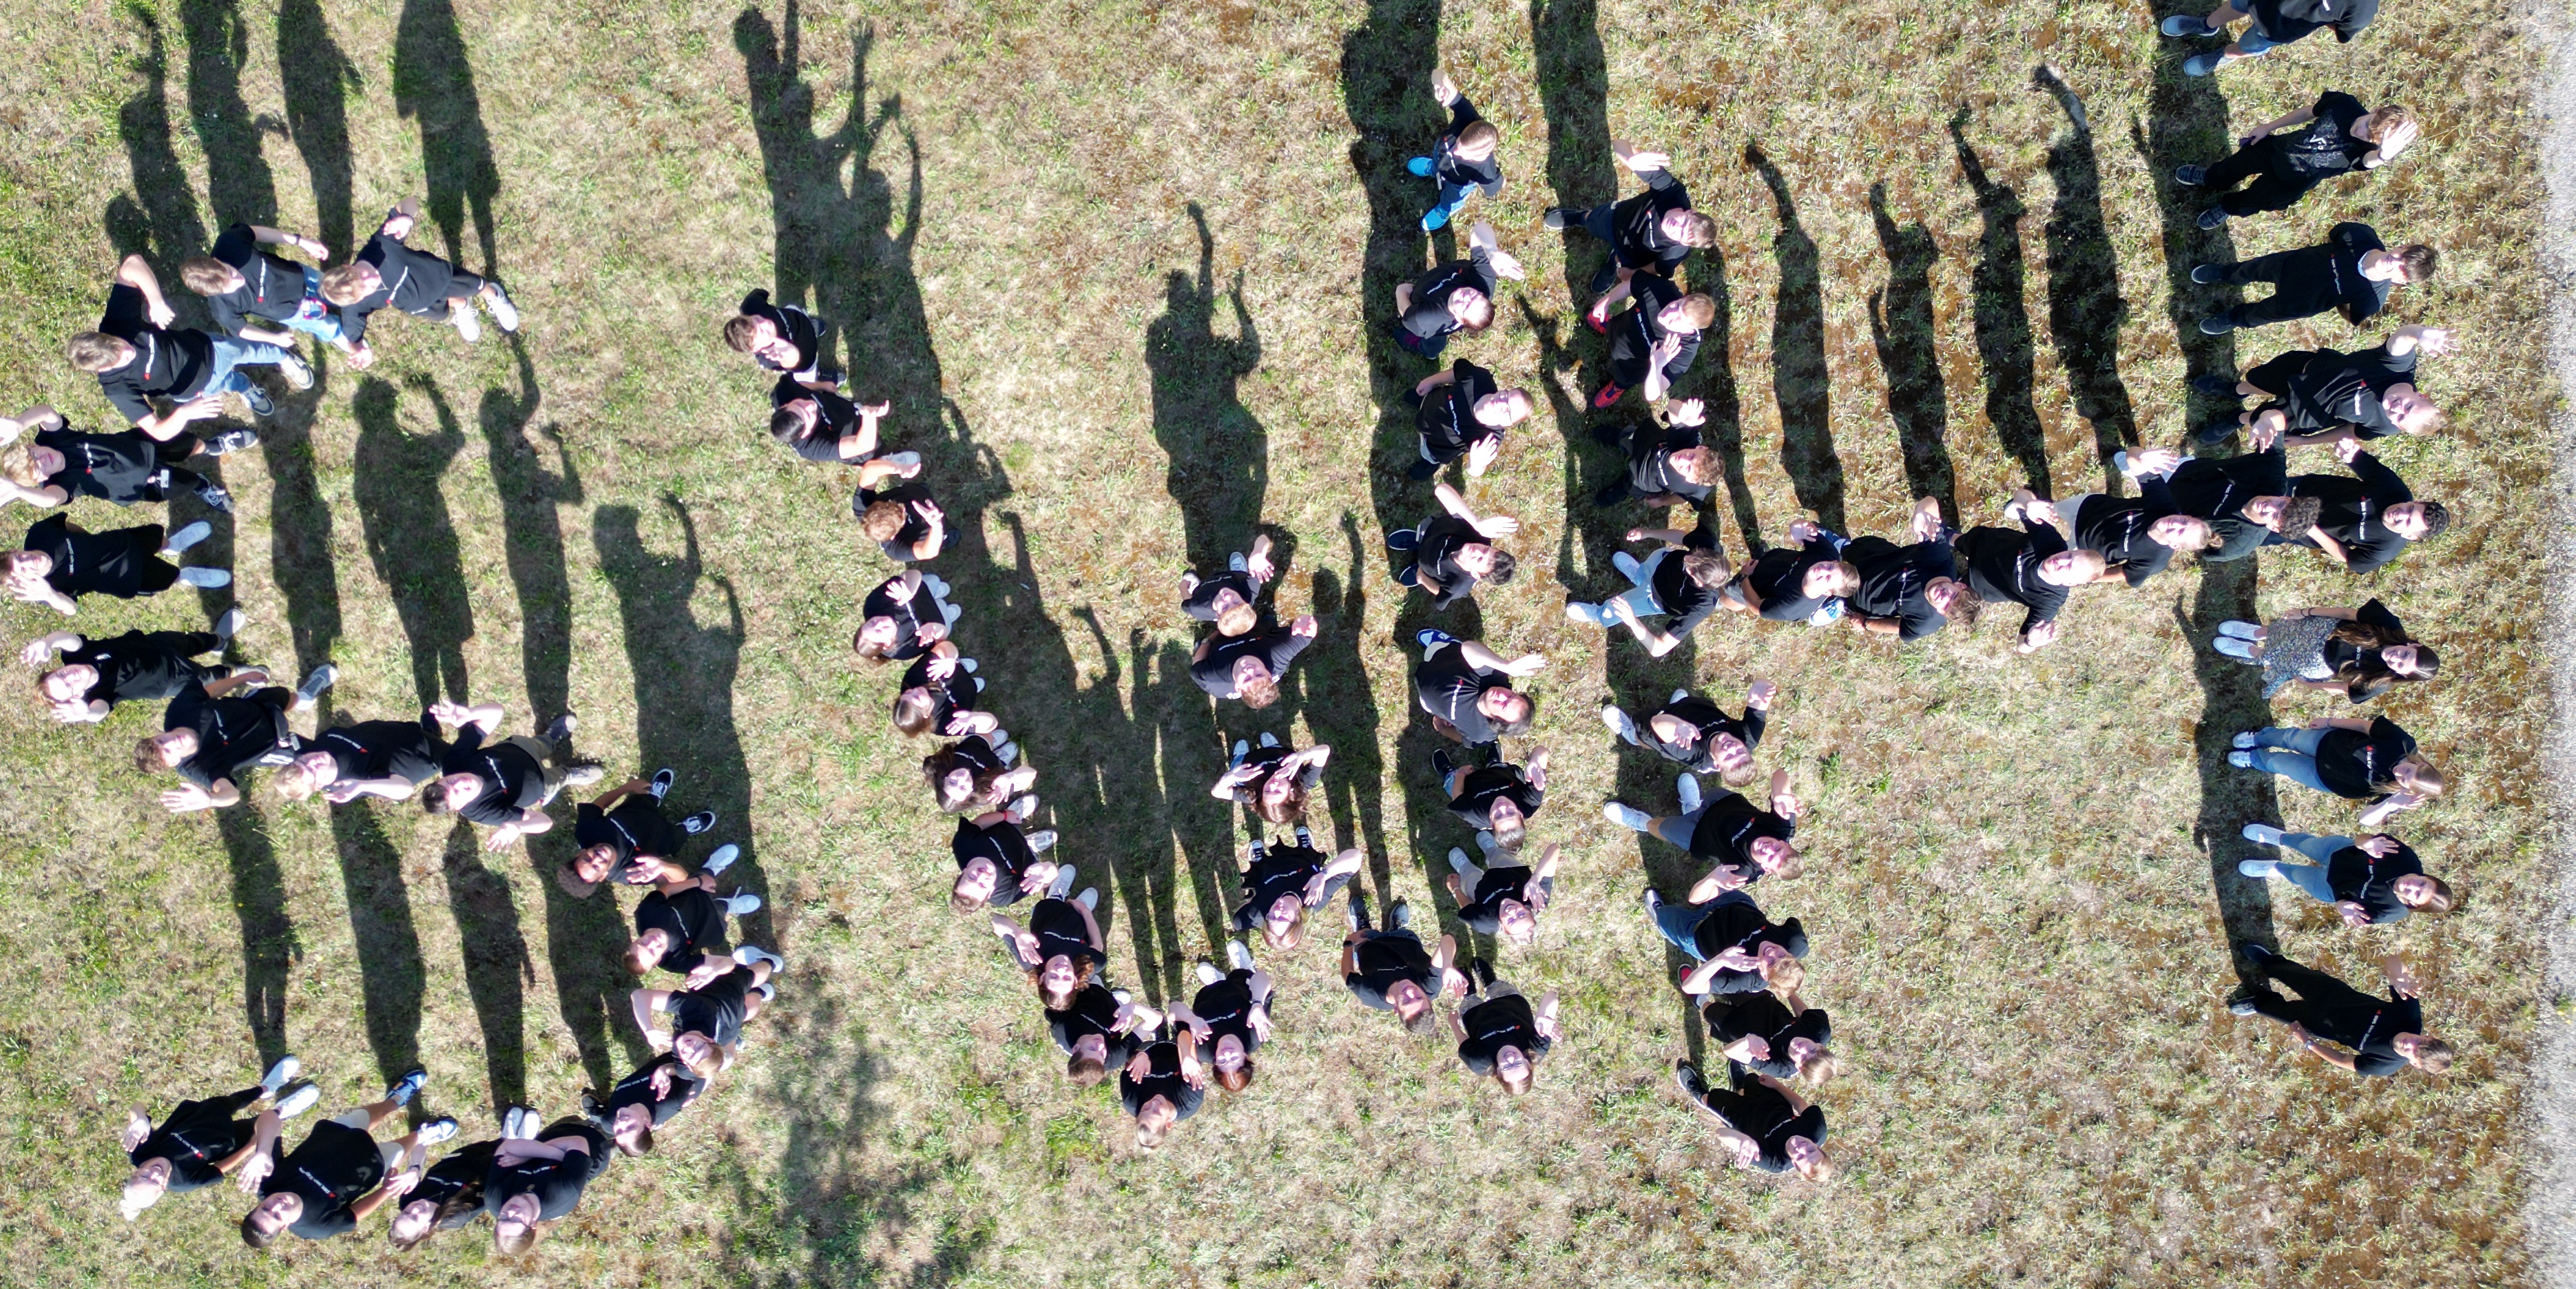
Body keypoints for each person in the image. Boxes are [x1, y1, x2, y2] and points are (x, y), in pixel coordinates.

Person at [69, 255, 310, 432]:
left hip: (212, 350)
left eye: (119, 344)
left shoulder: (116, 325)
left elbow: (132, 264)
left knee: (251, 351)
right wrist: (184, 413)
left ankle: (284, 357)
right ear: (103, 369)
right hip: (196, 391)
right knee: (227, 383)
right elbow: (157, 431)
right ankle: (245, 387)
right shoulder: (116, 388)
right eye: (120, 358)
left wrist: (155, 301)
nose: (128, 351)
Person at [237, 1068, 458, 1248]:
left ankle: (397, 1099)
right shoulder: (317, 1227)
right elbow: (356, 1214)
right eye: (277, 1217)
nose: (276, 1206)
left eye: (265, 1208)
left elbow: (270, 1118)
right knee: (406, 1145)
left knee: (374, 1113)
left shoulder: (266, 1181)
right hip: (371, 1166)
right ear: (284, 1227)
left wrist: (263, 1151)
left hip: (336, 1134)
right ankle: (422, 1134)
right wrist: (386, 1189)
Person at [318, 198, 520, 360]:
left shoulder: (382, 246)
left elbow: (410, 201)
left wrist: (406, 217)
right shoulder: (353, 308)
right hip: (415, 302)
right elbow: (352, 339)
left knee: (476, 285)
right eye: (365, 290)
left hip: (437, 276)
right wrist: (358, 351)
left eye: (361, 276)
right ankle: (461, 305)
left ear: (347, 266)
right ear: (355, 301)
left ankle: (494, 295)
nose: (371, 281)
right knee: (444, 311)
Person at [118, 1055, 313, 1221]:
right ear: (163, 1188)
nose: (155, 1173)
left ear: (136, 1172)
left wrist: (141, 1119)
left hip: (202, 1114)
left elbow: (136, 1106)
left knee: (234, 1101)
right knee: (261, 1124)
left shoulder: (139, 1152)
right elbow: (219, 1169)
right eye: (155, 1182)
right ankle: (282, 1110)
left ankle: (266, 1089)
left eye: (144, 1175)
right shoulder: (184, 1181)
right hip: (227, 1139)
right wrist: (250, 1146)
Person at [1542, 139, 1717, 321]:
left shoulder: (1676, 252)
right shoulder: (1672, 192)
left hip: (1633, 256)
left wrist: (1632, 274)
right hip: (1615, 220)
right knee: (1591, 221)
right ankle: (1577, 217)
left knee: (1620, 263)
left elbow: (1657, 268)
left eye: (1682, 236)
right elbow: (1619, 144)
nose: (1676, 229)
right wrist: (1631, 158)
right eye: (1684, 223)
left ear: (1684, 244)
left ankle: (1614, 262)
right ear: (1690, 212)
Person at [2175, 95, 2415, 227]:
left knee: (2252, 202)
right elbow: (2308, 112)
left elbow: (2368, 162)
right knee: (2231, 167)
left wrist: (2383, 154)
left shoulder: (2366, 151)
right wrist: (2269, 127)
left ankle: (2226, 208)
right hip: (2275, 150)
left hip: (2292, 183)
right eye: (2366, 127)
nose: (2361, 135)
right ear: (2375, 110)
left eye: (2371, 139)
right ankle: (2210, 178)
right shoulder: (2343, 105)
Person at [2197, 324, 2450, 448]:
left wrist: (2308, 442)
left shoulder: (2386, 427)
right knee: (2257, 380)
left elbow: (2350, 432)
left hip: (2308, 412)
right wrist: (2421, 333)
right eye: (2408, 405)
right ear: (2421, 394)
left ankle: (2238, 419)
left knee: (2263, 419)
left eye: (2400, 418)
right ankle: (2236, 391)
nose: (2397, 409)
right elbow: (2402, 339)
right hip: (2304, 369)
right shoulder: (2396, 369)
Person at [2229, 945, 2451, 1077]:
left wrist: (2309, 1043)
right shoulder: (2409, 1016)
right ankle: (2269, 961)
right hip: (2332, 993)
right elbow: (2392, 960)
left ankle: (2259, 1003)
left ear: (2414, 1063)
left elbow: (2344, 1059)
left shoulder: (2385, 1066)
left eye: (2415, 1053)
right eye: (2420, 1042)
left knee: (2277, 1011)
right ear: (2427, 1036)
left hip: (2318, 1024)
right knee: (2292, 973)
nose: (2410, 1044)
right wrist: (2402, 978)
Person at [138, 665, 335, 813]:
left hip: (259, 705)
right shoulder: (199, 767)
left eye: (162, 741)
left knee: (288, 697)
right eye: (168, 751)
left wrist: (242, 678)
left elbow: (210, 692)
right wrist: (210, 799)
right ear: (174, 762)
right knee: (322, 754)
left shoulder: (179, 710)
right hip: (271, 744)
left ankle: (304, 699)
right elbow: (231, 795)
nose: (172, 742)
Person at [2191, 222, 2432, 334]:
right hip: (2288, 265)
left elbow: (2352, 317)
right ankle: (2225, 274)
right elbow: (2334, 235)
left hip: (2299, 303)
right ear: (2402, 246)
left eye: (2403, 271)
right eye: (2404, 256)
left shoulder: (2372, 299)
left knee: (2258, 314)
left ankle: (2231, 319)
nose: (2397, 262)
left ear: (2402, 282)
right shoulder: (2360, 235)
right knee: (2251, 269)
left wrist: (2337, 299)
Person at [422, 705, 605, 851]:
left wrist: (470, 714)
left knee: (540, 745)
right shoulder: (481, 812)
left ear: (444, 777)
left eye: (451, 781)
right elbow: (545, 822)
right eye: (457, 793)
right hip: (541, 784)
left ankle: (550, 739)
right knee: (558, 778)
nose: (461, 783)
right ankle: (569, 774)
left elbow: (497, 712)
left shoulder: (453, 761)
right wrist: (518, 828)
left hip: (521, 749)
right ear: (459, 807)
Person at [0, 404, 235, 513]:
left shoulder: (54, 439)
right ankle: (202, 484)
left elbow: (46, 412)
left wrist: (20, 424)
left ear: (33, 445)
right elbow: (50, 501)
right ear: (40, 480)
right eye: (36, 469)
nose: (41, 461)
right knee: (185, 482)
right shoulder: (59, 486)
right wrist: (18, 491)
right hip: (142, 484)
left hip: (142, 445)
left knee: (186, 445)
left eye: (33, 455)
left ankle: (211, 447)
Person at [1607, 767, 1805, 894]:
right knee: (1701, 804)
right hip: (1722, 802)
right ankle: (1692, 807)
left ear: (1767, 870)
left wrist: (1712, 880)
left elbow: (1698, 898)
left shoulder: (1744, 873)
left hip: (1697, 836)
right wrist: (1781, 796)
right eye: (1778, 849)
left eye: (1771, 859)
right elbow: (1780, 774)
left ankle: (1640, 822)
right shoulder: (1783, 827)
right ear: (1785, 843)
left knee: (1661, 827)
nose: (1769, 849)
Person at [1953, 491, 2103, 652]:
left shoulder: (2049, 601)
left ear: (2070, 583)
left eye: (2068, 567)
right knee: (1948, 539)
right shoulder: (2051, 541)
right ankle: (1948, 538)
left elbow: (2021, 646)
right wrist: (2028, 504)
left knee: (1947, 592)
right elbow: (2019, 495)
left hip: (1983, 585)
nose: (2061, 560)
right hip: (1984, 544)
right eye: (2069, 555)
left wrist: (2031, 642)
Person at [2117, 444, 2318, 564]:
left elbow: (2210, 553)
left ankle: (2134, 475)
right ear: (2287, 497)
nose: (2270, 506)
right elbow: (2276, 426)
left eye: (2275, 516)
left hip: (2166, 509)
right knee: (2132, 460)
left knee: (2133, 492)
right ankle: (2134, 468)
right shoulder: (2272, 476)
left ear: (2273, 527)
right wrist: (2268, 418)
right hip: (2185, 471)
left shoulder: (2239, 543)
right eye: (2281, 504)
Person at [178, 222, 353, 358]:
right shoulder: (222, 309)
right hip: (294, 311)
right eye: (229, 286)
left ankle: (358, 299)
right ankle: (343, 338)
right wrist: (275, 339)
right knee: (327, 326)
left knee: (339, 288)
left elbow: (255, 233)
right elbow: (242, 329)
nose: (238, 280)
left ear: (217, 260)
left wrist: (301, 242)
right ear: (213, 294)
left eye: (231, 272)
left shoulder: (230, 243)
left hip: (301, 275)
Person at [25, 612, 238, 723]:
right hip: (173, 679)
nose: (70, 676)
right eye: (69, 686)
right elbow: (101, 711)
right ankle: (233, 673)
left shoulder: (78, 656)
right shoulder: (98, 695)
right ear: (77, 695)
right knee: (210, 678)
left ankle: (218, 641)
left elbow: (67, 639)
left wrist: (47, 642)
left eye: (62, 674)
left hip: (159, 644)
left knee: (194, 641)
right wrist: (87, 714)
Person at [2230, 715, 2444, 826]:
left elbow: (2365, 820)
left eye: (2405, 780)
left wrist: (2391, 804)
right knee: (2289, 738)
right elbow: (2364, 726)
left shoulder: (2398, 796)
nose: (2400, 773)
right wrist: (2329, 722)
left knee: (2280, 764)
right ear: (2421, 763)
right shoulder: (2403, 743)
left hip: (2326, 777)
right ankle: (2259, 737)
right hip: (2327, 742)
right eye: (2410, 770)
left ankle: (2255, 758)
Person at [2277, 437, 2448, 575]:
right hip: (2301, 490)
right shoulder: (2395, 489)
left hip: (2297, 528)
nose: (2401, 514)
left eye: (2408, 522)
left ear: (2410, 536)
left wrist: (2310, 529)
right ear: (2415, 502)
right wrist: (2348, 451)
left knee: (2253, 525)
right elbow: (2359, 460)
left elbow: (2348, 557)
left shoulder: (2385, 549)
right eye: (2410, 509)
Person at [2212, 599, 2437, 703]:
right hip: (2326, 630)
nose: (2395, 659)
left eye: (2400, 666)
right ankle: (2257, 633)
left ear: (2401, 675)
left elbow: (2345, 689)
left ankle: (2248, 650)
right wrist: (2307, 612)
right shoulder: (2390, 625)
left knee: (2278, 658)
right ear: (2413, 645)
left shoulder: (2381, 682)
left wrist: (2311, 684)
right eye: (2405, 655)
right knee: (2283, 632)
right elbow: (2349, 614)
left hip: (2322, 662)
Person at [2236, 824, 2455, 924]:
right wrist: (2366, 843)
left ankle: (2276, 868)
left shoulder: (2392, 912)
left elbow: (2350, 911)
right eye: (2422, 882)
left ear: (2414, 905)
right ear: (2426, 876)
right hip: (2338, 851)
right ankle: (2280, 838)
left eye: (2417, 894)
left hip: (2329, 888)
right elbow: (2363, 837)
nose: (2412, 885)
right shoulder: (2405, 858)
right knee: (2305, 843)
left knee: (2296, 875)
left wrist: (2341, 906)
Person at [9, 514, 227, 614]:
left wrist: (89, 541)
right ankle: (186, 576)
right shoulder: (49, 589)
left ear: (16, 550)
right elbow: (71, 609)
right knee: (168, 577)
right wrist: (49, 595)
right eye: (23, 570)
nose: (28, 561)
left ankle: (174, 545)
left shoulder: (39, 534)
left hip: (123, 542)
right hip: (129, 576)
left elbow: (68, 526)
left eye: (20, 557)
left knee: (158, 540)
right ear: (26, 579)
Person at [1564, 524, 1731, 653]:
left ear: (1700, 584)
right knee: (1643, 572)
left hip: (1654, 598)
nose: (1686, 558)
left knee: (1615, 610)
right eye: (1694, 556)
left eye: (1691, 569)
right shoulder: (1709, 547)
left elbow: (1660, 648)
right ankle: (1638, 575)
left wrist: (1632, 621)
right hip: (1660, 561)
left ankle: (1600, 615)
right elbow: (1684, 538)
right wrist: (1647, 533)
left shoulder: (1701, 606)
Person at [629, 945, 784, 1082]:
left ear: (687, 1065)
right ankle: (770, 962)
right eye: (698, 1047)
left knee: (745, 1012)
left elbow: (682, 1073)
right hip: (727, 998)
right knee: (748, 977)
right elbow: (640, 995)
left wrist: (664, 1070)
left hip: (728, 1030)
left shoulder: (685, 1068)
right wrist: (648, 1028)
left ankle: (762, 993)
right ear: (707, 1039)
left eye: (690, 1056)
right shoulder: (698, 1009)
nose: (688, 1048)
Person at [561, 770, 725, 897]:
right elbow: (681, 878)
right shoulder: (630, 874)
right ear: (603, 876)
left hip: (638, 807)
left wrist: (626, 788)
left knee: (646, 798)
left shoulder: (585, 831)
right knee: (677, 836)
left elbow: (598, 805)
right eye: (597, 866)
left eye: (588, 858)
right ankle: (686, 828)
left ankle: (654, 797)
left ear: (580, 853)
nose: (597, 857)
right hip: (665, 838)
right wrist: (663, 866)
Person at [273, 702, 466, 803]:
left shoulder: (309, 752)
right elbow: (405, 789)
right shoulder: (351, 780)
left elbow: (291, 742)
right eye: (312, 770)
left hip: (400, 733)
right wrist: (361, 786)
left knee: (420, 729)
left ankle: (429, 730)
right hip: (422, 753)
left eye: (303, 761)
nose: (312, 760)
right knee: (463, 760)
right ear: (320, 784)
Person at [1671, 1060, 1833, 1179]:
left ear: (1795, 1165)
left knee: (1713, 1099)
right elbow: (1799, 1104)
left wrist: (1744, 1141)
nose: (1801, 1149)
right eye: (1811, 1150)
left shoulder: (1774, 1162)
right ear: (1819, 1147)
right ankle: (1740, 1086)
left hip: (1741, 1116)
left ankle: (1698, 1093)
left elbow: (1721, 1133)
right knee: (1751, 1079)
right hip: (1771, 1101)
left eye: (1799, 1158)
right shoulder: (1817, 1130)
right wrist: (1776, 1085)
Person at [484, 1109, 615, 1255]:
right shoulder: (562, 1195)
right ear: (532, 1225)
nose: (510, 1211)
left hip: (553, 1134)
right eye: (515, 1219)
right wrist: (529, 1153)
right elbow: (578, 1141)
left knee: (571, 1118)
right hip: (593, 1141)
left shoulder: (494, 1197)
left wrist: (547, 1156)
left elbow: (506, 1146)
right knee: (613, 1122)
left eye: (503, 1218)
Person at [1841, 500, 1976, 641]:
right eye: (1954, 595)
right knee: (1835, 552)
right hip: (1869, 557)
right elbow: (1931, 508)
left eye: (1947, 606)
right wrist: (1922, 512)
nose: (1945, 597)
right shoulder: (1939, 559)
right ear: (1960, 585)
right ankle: (1838, 545)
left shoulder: (1928, 622)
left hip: (1855, 598)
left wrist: (1866, 624)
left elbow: (1901, 627)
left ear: (1942, 612)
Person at [2055, 472, 2217, 588]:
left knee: (2049, 562)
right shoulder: (2165, 505)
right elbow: (2137, 462)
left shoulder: (2154, 560)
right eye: (2184, 521)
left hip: (2079, 552)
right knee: (2042, 513)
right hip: (2085, 508)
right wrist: (2139, 457)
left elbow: (2124, 573)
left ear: (2176, 546)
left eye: (2180, 532)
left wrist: (2090, 577)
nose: (2175, 523)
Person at [1601, 680, 1777, 786]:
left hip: (1661, 728)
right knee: (1683, 705)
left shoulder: (1695, 754)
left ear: (1716, 765)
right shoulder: (1749, 738)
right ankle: (1680, 704)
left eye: (1729, 757)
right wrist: (1761, 692)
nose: (1732, 748)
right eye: (1740, 752)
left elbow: (1656, 724)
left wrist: (1678, 727)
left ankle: (1630, 734)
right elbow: (1762, 687)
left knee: (1644, 736)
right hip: (1693, 711)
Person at [1646, 887, 1810, 1000]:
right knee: (1702, 890)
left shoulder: (1747, 979)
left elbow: (1690, 987)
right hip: (1735, 903)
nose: (1772, 952)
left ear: (1765, 976)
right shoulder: (1796, 941)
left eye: (1771, 963)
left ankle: (1659, 914)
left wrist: (1720, 960)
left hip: (1697, 934)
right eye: (1783, 955)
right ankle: (1705, 901)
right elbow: (1792, 922)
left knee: (1666, 917)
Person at [1391, 220, 1524, 360]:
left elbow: (1408, 316)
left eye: (1466, 306)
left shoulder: (1425, 318)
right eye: (1474, 297)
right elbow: (1479, 229)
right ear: (1481, 294)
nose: (1466, 297)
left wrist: (1402, 291)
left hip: (1429, 325)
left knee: (1434, 343)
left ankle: (1426, 350)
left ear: (1460, 319)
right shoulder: (1483, 285)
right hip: (1436, 286)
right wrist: (1492, 253)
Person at [1342, 891, 1465, 1035]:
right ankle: (1397, 927)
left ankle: (1363, 926)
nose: (1410, 992)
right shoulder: (1430, 987)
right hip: (1405, 939)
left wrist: (1350, 943)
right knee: (1401, 932)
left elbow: (1347, 974)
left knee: (1364, 933)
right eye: (1419, 997)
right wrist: (1447, 966)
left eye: (1406, 1001)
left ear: (1396, 1009)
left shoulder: (1372, 994)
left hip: (1369, 944)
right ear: (1427, 998)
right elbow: (1447, 940)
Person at [2161, 0, 2382, 78]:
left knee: (2248, 45)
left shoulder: (2364, 9)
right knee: (2237, 4)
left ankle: (2222, 56)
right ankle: (2206, 25)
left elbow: (2343, 31)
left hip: (2281, 28)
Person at [1592, 271, 1714, 409]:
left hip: (1631, 366)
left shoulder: (1685, 349)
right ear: (1683, 297)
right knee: (1612, 329)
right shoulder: (1662, 290)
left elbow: (1653, 395)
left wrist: (1657, 365)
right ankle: (1606, 328)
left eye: (1679, 320)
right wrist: (1606, 302)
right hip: (1619, 327)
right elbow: (1629, 286)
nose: (1669, 313)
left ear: (1689, 330)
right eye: (1677, 305)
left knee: (1624, 378)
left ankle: (1618, 386)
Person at [1229, 827, 1363, 951]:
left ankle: (1259, 860)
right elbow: (1356, 856)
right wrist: (1324, 874)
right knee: (1307, 857)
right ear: (1298, 919)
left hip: (1267, 870)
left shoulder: (1262, 910)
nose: (1276, 912)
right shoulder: (1315, 897)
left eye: (1271, 918)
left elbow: (1239, 922)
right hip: (1302, 860)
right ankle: (1306, 847)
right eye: (1282, 918)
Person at [1389, 482, 1519, 610]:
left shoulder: (1459, 585)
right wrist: (1476, 523)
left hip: (1426, 566)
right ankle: (1417, 540)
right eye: (1486, 550)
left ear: (1476, 574)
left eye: (1479, 560)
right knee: (1423, 536)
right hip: (1431, 534)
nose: (1477, 551)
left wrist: (1421, 577)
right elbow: (1441, 490)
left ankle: (1417, 567)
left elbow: (1441, 598)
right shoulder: (1478, 535)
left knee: (1422, 564)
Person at [1405, 68, 1504, 232]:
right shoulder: (1468, 117)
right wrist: (1440, 83)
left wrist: (1499, 180)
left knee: (1452, 198)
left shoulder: (1486, 172)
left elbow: (1494, 188)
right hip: (1439, 157)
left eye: (1464, 153)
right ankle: (1433, 169)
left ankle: (1445, 210)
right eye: (1458, 143)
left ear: (1483, 155)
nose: (1455, 151)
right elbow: (1438, 73)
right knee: (1438, 164)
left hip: (1458, 183)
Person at [624, 860, 762, 978]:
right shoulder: (674, 962)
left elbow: (667, 890)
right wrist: (714, 972)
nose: (652, 943)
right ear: (658, 960)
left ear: (637, 939)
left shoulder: (645, 913)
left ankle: (710, 867)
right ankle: (725, 905)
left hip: (695, 895)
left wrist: (699, 882)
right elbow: (726, 962)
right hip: (711, 924)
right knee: (719, 919)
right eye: (652, 952)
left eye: (643, 943)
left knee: (702, 876)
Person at [1405, 358, 1533, 482]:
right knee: (1420, 402)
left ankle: (1430, 463)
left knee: (1431, 456)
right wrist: (1431, 381)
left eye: (1507, 411)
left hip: (1437, 447)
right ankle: (1420, 403)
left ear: (1506, 423)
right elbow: (1456, 372)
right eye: (1506, 397)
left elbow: (1475, 472)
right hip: (1430, 403)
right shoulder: (1478, 379)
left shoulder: (1489, 439)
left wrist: (1476, 464)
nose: (1501, 403)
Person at [1412, 628, 1543, 747]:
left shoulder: (1482, 734)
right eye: (1511, 695)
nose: (1502, 695)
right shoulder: (1495, 677)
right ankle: (1447, 642)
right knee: (1447, 649)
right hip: (1440, 657)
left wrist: (1443, 729)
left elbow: (1468, 741)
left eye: (1504, 705)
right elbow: (1468, 649)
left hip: (1427, 698)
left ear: (1496, 721)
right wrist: (1505, 666)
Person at [1715, 520, 1862, 627]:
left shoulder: (1790, 606)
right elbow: (1801, 531)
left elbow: (1756, 607)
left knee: (1733, 597)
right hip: (1771, 560)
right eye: (1830, 567)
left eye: (1828, 578)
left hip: (1752, 585)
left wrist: (1745, 576)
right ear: (1834, 561)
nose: (1823, 570)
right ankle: (1760, 556)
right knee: (1762, 558)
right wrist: (1798, 527)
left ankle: (1717, 599)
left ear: (1827, 592)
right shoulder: (1828, 554)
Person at [1170, 942, 1274, 1093]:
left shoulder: (1203, 1050)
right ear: (1246, 1057)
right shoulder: (1255, 1033)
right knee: (1250, 976)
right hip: (1240, 984)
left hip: (1207, 997)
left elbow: (1174, 1008)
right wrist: (1257, 1003)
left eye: (1223, 1061)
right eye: (1234, 1059)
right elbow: (1262, 977)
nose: (1226, 1054)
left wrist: (1191, 1019)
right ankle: (1245, 967)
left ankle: (1216, 981)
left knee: (1214, 988)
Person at [991, 882, 1106, 1011]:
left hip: (1048, 909)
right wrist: (1085, 911)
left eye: (1053, 977)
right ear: (1075, 980)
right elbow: (1097, 945)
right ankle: (1080, 903)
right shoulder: (1087, 966)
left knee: (1064, 878)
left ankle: (1057, 893)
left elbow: (996, 920)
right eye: (1067, 978)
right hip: (1079, 917)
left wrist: (1017, 933)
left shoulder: (1030, 958)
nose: (1061, 971)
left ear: (1042, 978)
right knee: (1092, 893)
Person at [1450, 961, 1559, 1094]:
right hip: (1507, 999)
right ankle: (1486, 975)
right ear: (1527, 1063)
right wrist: (1544, 1016)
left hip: (1474, 1013)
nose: (1510, 1059)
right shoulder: (1537, 1047)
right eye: (1518, 1064)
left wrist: (1454, 1026)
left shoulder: (1480, 1063)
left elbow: (1465, 1044)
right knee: (1494, 985)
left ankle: (1468, 986)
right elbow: (1551, 995)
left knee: (1469, 997)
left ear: (1499, 1072)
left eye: (1507, 1067)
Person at [1595, 397, 1720, 508]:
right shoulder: (1688, 440)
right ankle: (1617, 438)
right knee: (1625, 439)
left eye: (1688, 468)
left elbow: (1685, 497)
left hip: (1643, 481)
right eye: (1692, 456)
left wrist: (1663, 501)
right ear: (1701, 448)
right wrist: (1682, 414)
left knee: (1630, 486)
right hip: (1643, 442)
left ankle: (1621, 489)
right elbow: (1672, 406)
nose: (1682, 459)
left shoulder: (1697, 489)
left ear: (1692, 480)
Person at [383, 1137, 499, 1250]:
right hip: (496, 1167)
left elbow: (419, 1144)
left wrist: (415, 1169)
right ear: (426, 1227)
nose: (414, 1209)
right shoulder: (456, 1217)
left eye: (406, 1212)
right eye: (414, 1218)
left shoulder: (408, 1199)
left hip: (466, 1154)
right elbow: (493, 1194)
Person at [1704, 989, 1840, 1084]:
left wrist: (1748, 1040)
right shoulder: (1820, 1030)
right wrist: (1788, 990)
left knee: (1709, 1009)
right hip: (1761, 1002)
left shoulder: (1780, 1067)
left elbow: (1730, 1052)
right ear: (1820, 1045)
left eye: (1803, 1058)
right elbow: (1803, 1013)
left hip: (1736, 1026)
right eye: (1812, 1050)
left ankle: (1699, 999)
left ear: (1799, 1067)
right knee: (1726, 976)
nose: (1803, 1049)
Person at [583, 1055, 709, 1159]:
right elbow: (699, 1071)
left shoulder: (610, 1120)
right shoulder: (670, 1100)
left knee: (605, 1124)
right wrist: (665, 1069)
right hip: (688, 1053)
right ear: (646, 1122)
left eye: (619, 1131)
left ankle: (598, 1115)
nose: (621, 1123)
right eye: (631, 1127)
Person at [1188, 610, 1317, 709]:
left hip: (1222, 638)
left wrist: (1209, 639)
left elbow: (1196, 667)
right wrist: (1306, 623)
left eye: (1247, 678)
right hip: (1255, 629)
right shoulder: (1277, 657)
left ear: (1238, 687)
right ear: (1269, 674)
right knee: (1267, 622)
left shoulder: (1214, 679)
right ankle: (1267, 620)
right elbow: (1306, 635)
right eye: (1259, 674)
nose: (1250, 670)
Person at [1047, 978, 1159, 1086]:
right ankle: (1115, 999)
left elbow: (1058, 997)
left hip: (1087, 988)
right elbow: (1156, 1020)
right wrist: (1133, 1008)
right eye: (1101, 1054)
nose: (1100, 1045)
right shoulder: (1113, 1058)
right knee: (1120, 1000)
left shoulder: (1063, 1028)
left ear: (1076, 1049)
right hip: (1116, 1010)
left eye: (1092, 1048)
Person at [950, 804, 1061, 913]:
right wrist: (1047, 869)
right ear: (990, 892)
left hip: (1007, 826)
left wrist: (1005, 815)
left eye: (972, 877)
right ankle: (1031, 844)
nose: (982, 875)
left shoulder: (963, 844)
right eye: (983, 885)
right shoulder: (1004, 896)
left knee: (1022, 808)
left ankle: (1015, 812)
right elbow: (1043, 881)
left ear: (964, 872)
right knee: (1031, 853)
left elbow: (980, 824)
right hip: (1027, 856)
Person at [1446, 841, 1559, 947]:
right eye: (1522, 915)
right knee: (1500, 857)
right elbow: (1555, 848)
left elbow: (1467, 907)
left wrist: (1455, 888)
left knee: (1470, 878)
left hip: (1480, 889)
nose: (1512, 911)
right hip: (1509, 871)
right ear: (1529, 911)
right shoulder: (1537, 900)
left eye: (1510, 921)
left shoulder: (1485, 922)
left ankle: (1465, 868)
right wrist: (1536, 878)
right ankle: (1491, 850)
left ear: (1504, 928)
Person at [1440, 743, 1547, 852]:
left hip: (1470, 781)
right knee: (1498, 766)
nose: (1502, 808)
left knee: (1452, 784)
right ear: (1520, 814)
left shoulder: (1473, 814)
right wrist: (1535, 761)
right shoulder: (1529, 803)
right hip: (1501, 774)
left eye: (1498, 816)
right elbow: (1542, 751)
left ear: (1491, 823)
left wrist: (1461, 773)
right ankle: (1493, 762)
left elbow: (1457, 795)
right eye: (1511, 813)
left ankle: (1448, 773)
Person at [725, 288, 839, 389]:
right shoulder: (769, 357)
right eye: (763, 332)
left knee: (803, 319)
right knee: (809, 378)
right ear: (755, 348)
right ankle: (821, 376)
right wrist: (789, 351)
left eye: (758, 320)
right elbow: (795, 362)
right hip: (807, 359)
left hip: (797, 318)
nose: (766, 323)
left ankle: (811, 327)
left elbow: (761, 293)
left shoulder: (751, 305)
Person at [1118, 1022, 1207, 1150]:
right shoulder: (1189, 1102)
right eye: (1156, 1112)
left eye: (1145, 1109)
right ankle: (1173, 1032)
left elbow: (1126, 1059)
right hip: (1179, 1052)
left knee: (1152, 1027)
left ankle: (1160, 1031)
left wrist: (1140, 1056)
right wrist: (1184, 1030)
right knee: (1186, 1031)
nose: (1153, 1103)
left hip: (1149, 1050)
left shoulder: (1132, 1101)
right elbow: (1192, 1054)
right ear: (1169, 1124)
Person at [1211, 733, 1331, 826]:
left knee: (1237, 766)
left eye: (1267, 792)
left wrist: (1230, 777)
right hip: (1278, 753)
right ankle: (1273, 747)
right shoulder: (1303, 782)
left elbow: (1217, 793)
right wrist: (1302, 756)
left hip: (1247, 762)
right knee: (1276, 750)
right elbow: (1325, 750)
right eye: (1277, 792)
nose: (1272, 786)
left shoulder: (1253, 795)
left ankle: (1240, 756)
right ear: (1291, 794)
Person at [1179, 535, 1278, 639]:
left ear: (1218, 616)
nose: (1228, 598)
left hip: (1204, 589)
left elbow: (1187, 604)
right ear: (1246, 603)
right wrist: (1258, 551)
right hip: (1234, 578)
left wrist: (1183, 587)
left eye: (1225, 607)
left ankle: (1195, 586)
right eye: (1237, 602)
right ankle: (1238, 571)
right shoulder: (1249, 588)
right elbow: (1264, 538)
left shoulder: (1198, 607)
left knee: (1196, 590)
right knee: (1240, 575)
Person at [853, 569, 961, 664]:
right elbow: (943, 638)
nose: (879, 623)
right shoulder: (904, 650)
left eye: (871, 623)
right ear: (887, 644)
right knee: (943, 607)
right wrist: (934, 628)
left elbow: (913, 573)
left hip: (922, 592)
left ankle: (936, 594)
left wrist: (910, 590)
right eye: (879, 631)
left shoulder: (874, 604)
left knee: (934, 580)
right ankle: (945, 610)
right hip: (937, 618)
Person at [768, 383, 894, 464]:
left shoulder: (783, 391)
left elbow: (798, 384)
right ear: (805, 433)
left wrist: (820, 386)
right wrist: (869, 416)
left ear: (785, 405)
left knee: (845, 409)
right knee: (875, 446)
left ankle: (853, 410)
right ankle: (885, 460)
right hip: (845, 436)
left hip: (836, 409)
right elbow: (863, 445)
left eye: (799, 404)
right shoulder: (813, 448)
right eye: (808, 415)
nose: (810, 406)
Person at [922, 731, 1036, 814]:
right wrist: (1011, 777)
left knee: (987, 737)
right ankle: (1002, 759)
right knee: (1000, 765)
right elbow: (1032, 773)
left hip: (975, 746)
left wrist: (986, 739)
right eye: (963, 788)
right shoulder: (990, 791)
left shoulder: (940, 763)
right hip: (994, 766)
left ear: (945, 778)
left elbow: (951, 746)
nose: (961, 779)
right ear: (970, 792)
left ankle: (992, 744)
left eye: (952, 783)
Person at [893, 641, 987, 739]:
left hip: (957, 671)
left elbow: (944, 646)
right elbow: (985, 727)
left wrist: (950, 659)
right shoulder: (942, 725)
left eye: (908, 692)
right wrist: (974, 718)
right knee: (973, 687)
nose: (915, 690)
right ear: (925, 714)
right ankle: (974, 686)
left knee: (962, 668)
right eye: (917, 698)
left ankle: (964, 667)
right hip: (968, 696)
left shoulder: (912, 679)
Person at [853, 476, 946, 563]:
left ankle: (922, 489)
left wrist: (896, 466)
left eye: (888, 504)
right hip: (932, 527)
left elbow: (870, 470)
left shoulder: (861, 506)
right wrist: (937, 526)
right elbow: (928, 553)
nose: (902, 506)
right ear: (893, 536)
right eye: (902, 515)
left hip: (914, 492)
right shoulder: (895, 549)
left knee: (920, 490)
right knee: (944, 538)